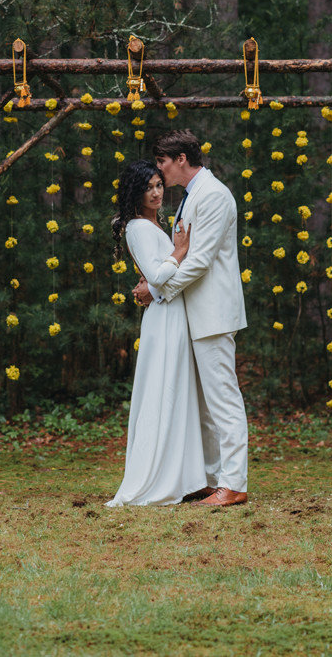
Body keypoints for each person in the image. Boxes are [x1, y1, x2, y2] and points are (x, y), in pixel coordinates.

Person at [133, 130, 249, 508]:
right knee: (204, 405)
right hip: (194, 314)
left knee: (223, 399)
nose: (160, 171)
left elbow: (199, 260)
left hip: (212, 311)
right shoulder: (190, 196)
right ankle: (213, 479)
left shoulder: (213, 195)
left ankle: (234, 483)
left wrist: (158, 289)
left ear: (181, 158)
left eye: (163, 163)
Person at [105, 160, 207, 507]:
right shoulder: (137, 227)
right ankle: (155, 476)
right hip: (163, 319)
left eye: (159, 186)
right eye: (148, 187)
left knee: (177, 390)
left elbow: (157, 281)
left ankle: (184, 475)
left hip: (172, 312)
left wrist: (154, 284)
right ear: (136, 192)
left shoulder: (155, 225)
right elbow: (157, 274)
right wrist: (179, 252)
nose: (156, 193)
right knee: (162, 390)